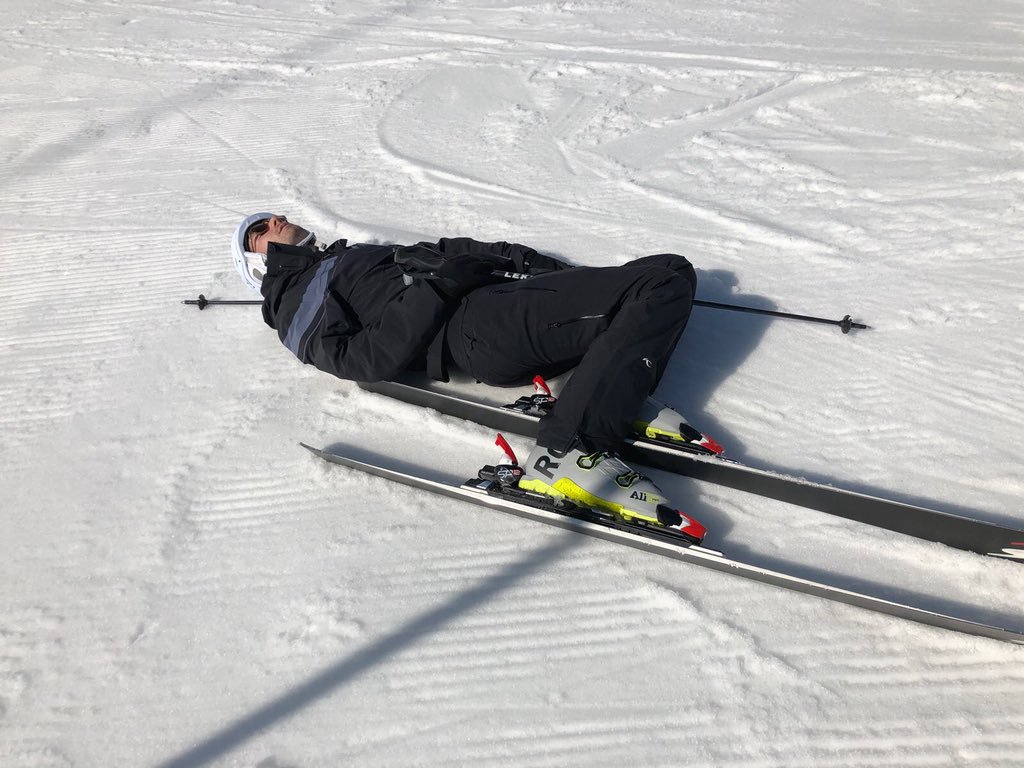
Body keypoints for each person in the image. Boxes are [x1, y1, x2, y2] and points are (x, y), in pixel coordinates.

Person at [232, 212, 717, 539]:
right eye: (259, 229)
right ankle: (572, 449)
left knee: (664, 272)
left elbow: (457, 251)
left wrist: (552, 274)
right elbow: (364, 361)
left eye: (273, 214)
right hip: (473, 329)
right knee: (662, 281)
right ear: (256, 264)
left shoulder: (346, 256)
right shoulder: (293, 301)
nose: (276, 219)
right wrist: (439, 286)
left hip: (495, 306)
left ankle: (610, 388)